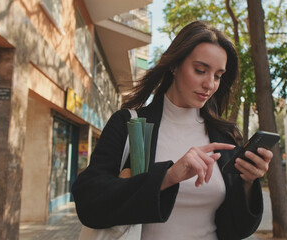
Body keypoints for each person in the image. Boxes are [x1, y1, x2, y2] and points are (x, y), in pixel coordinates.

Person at [72, 20, 273, 240]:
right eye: (200, 70)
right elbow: (89, 203)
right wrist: (167, 177)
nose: (210, 84)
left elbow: (239, 228)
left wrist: (247, 181)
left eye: (217, 76)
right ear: (174, 66)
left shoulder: (225, 136)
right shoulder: (128, 124)